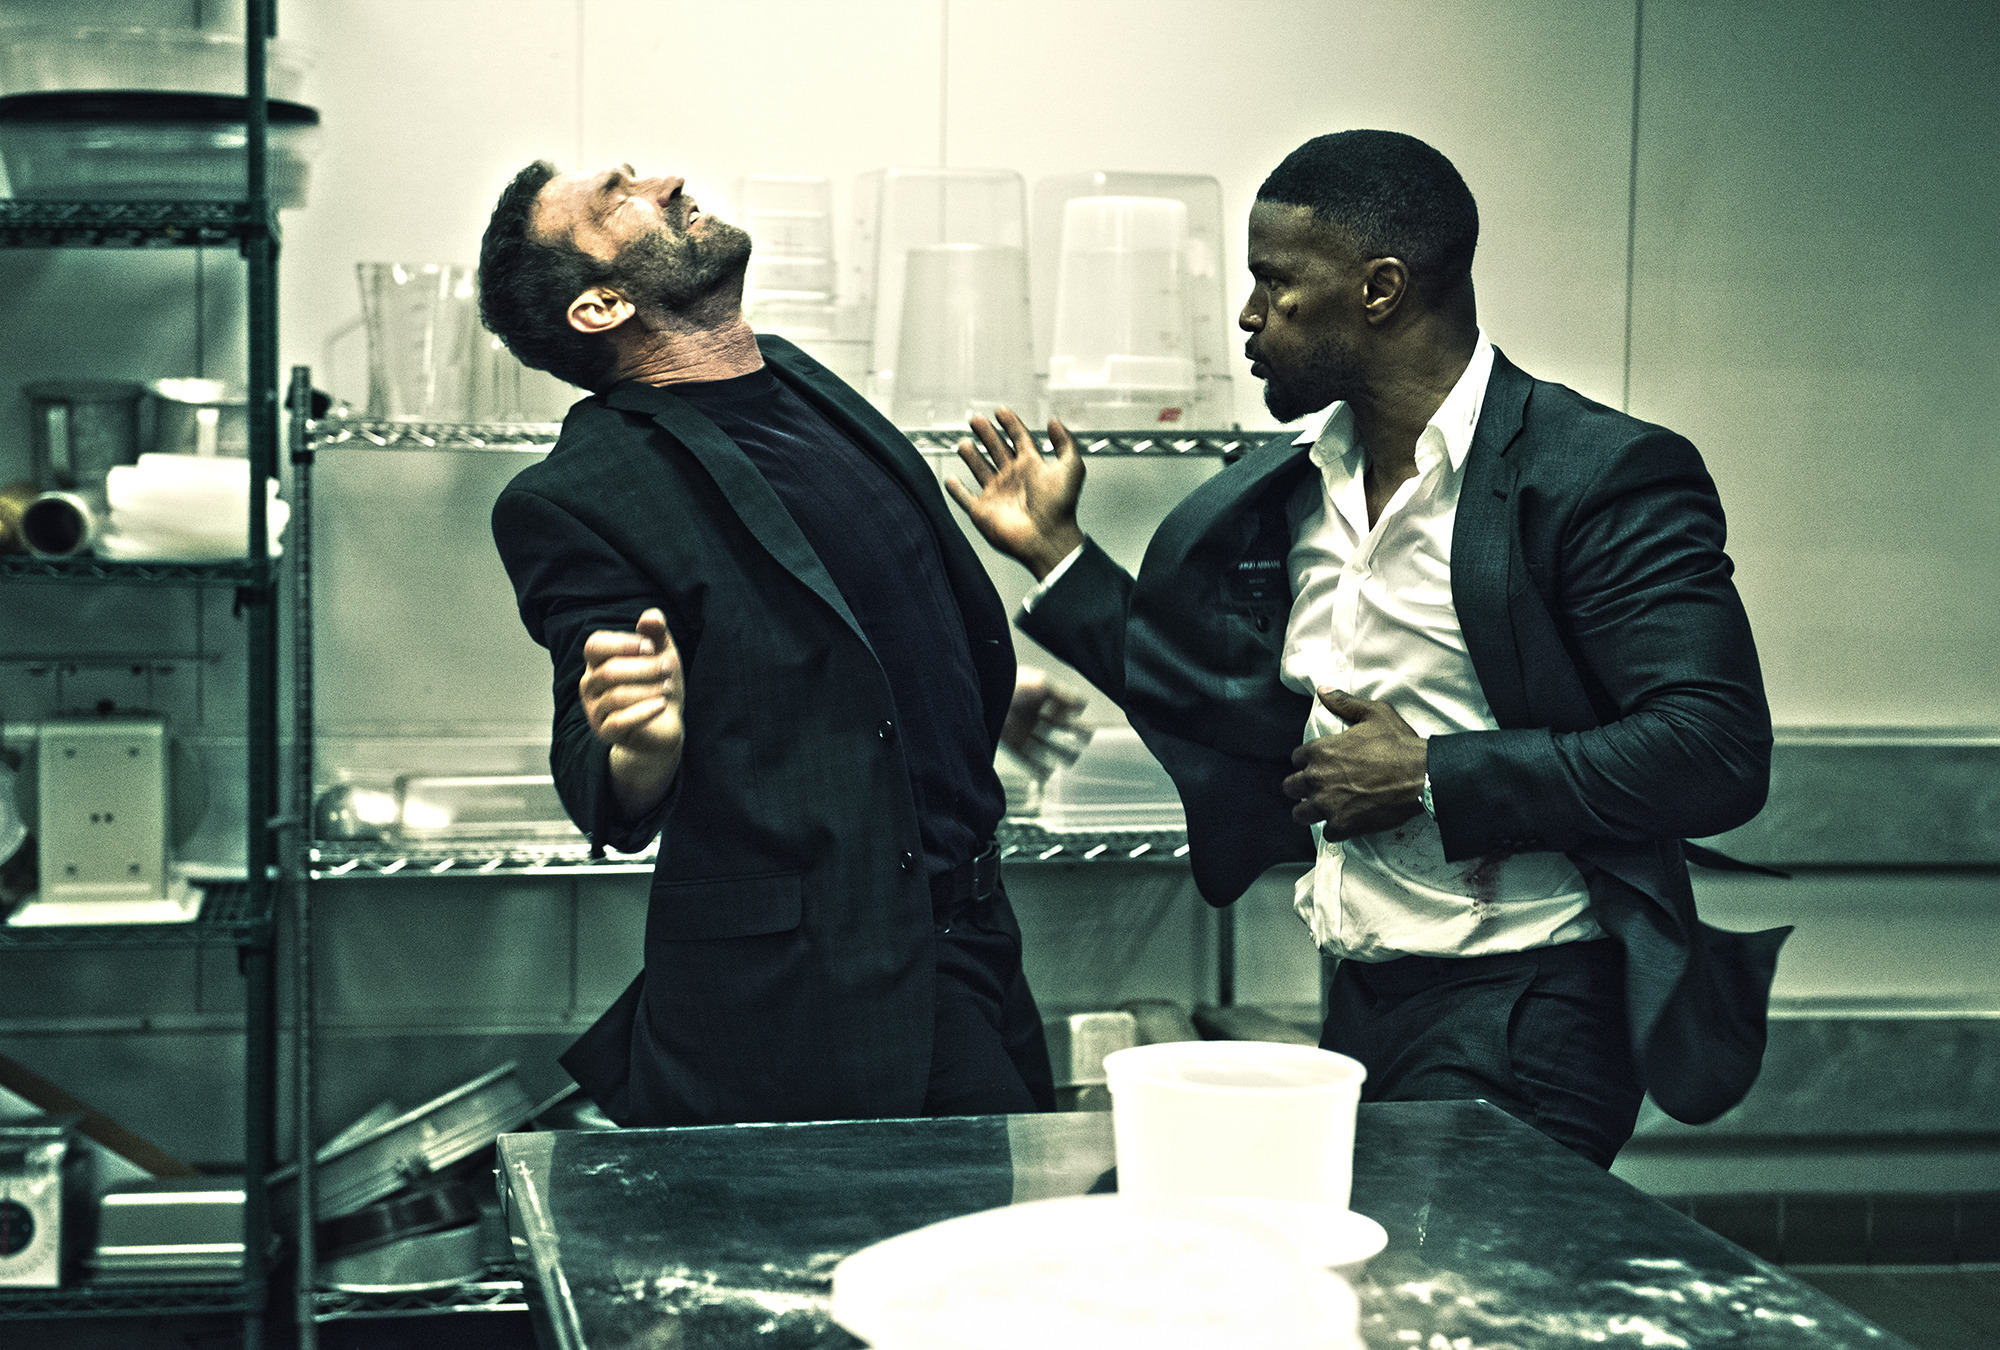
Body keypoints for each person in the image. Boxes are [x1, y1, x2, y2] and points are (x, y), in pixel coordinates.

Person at [947, 130, 1790, 1167]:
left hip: (1530, 1008)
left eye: (1274, 284)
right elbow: (1220, 707)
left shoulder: (1595, 475)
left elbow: (1712, 749)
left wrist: (1430, 774)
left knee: (1449, 1279)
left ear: (1379, 289)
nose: (1248, 315)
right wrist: (1057, 554)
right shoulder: (1298, 484)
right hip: (1361, 997)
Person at [477, 160, 1060, 1127]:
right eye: (618, 196)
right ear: (600, 307)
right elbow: (599, 770)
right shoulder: (576, 495)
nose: (667, 181)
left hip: (977, 938)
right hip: (825, 997)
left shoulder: (796, 381)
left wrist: (959, 694)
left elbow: (844, 618)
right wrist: (641, 746)